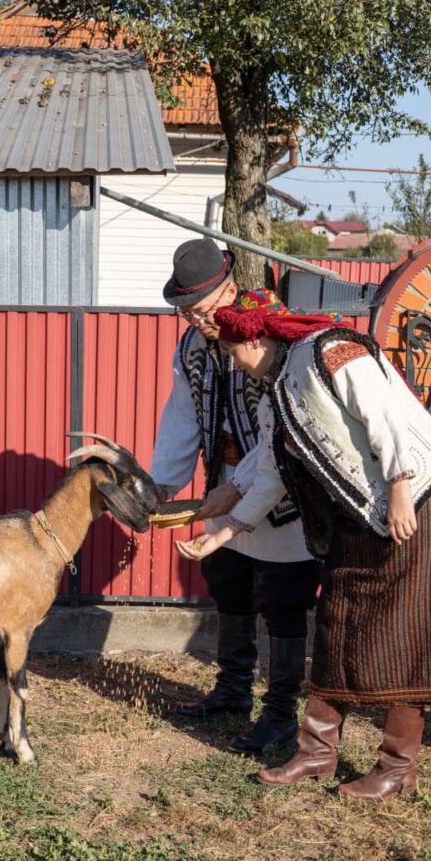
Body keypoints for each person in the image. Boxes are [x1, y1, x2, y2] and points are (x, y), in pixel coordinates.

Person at [177, 304, 431, 799]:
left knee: (404, 633)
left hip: (417, 500)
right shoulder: (277, 396)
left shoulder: (327, 350)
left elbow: (382, 411)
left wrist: (400, 486)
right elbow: (271, 473)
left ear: (255, 342)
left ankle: (396, 768)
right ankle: (316, 752)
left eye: (234, 355)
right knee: (335, 622)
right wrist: (221, 534)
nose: (235, 365)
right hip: (362, 515)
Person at [151, 237, 320, 754]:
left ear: (229, 288)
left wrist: (239, 484)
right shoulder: (192, 346)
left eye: (204, 311)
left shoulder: (270, 329)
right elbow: (182, 417)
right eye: (189, 315)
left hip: (282, 480)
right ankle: (231, 692)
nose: (200, 323)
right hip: (222, 469)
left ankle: (280, 714)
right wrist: (162, 485)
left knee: (285, 597)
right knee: (228, 581)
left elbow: (283, 430)